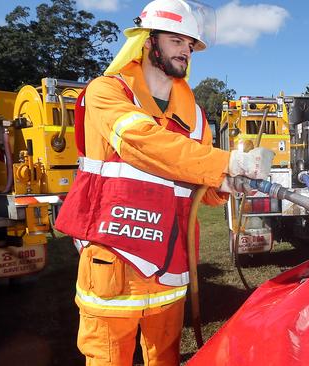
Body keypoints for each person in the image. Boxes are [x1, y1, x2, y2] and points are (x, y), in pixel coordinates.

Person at [54, 0, 274, 364]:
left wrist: (229, 184)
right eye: (176, 40)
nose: (186, 51)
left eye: (190, 45)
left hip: (169, 266)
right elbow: (143, 143)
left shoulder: (196, 115)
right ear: (148, 40)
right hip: (115, 260)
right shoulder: (107, 92)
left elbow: (199, 188)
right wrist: (225, 161)